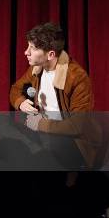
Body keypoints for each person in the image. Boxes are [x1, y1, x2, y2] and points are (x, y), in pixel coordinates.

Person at [9, 22, 100, 169]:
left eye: (33, 48)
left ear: (51, 54)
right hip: (41, 130)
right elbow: (15, 89)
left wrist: (39, 124)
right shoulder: (36, 68)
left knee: (45, 150)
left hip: (69, 139)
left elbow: (76, 127)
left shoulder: (76, 77)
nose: (26, 52)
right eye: (28, 46)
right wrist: (21, 102)